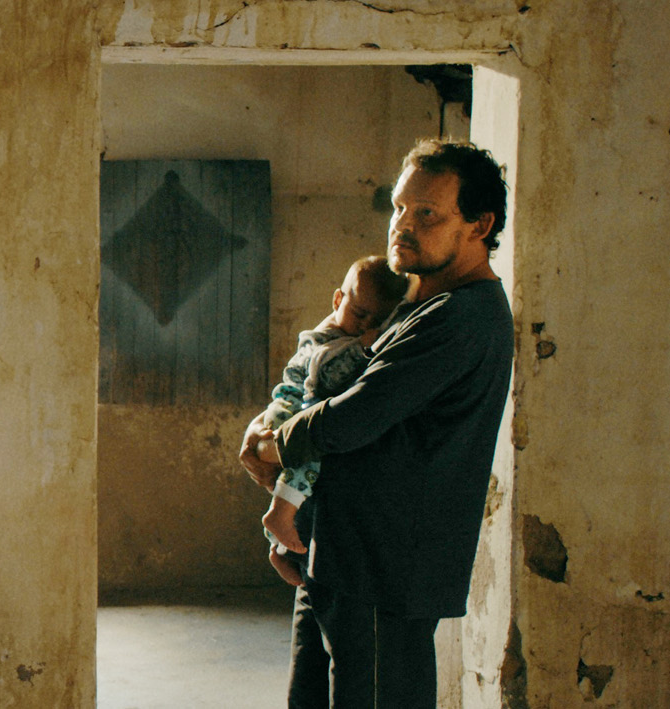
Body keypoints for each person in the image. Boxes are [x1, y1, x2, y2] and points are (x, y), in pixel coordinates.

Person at [239, 139, 514, 709]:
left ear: (479, 225)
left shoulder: (461, 317)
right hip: (344, 553)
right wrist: (272, 424)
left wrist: (274, 444)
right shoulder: (416, 306)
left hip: (385, 565)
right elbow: (323, 379)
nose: (403, 226)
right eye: (399, 209)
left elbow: (353, 417)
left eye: (427, 214)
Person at [249, 255, 412, 587]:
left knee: (306, 478)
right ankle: (279, 515)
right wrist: (365, 348)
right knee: (310, 458)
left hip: (293, 406)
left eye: (376, 322)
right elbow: (324, 376)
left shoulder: (347, 328)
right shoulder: (330, 338)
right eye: (359, 314)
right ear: (338, 299)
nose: (365, 328)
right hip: (292, 407)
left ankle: (279, 548)